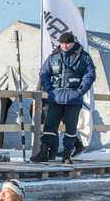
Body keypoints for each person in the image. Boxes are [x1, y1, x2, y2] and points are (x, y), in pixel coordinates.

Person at [32, 31, 96, 164]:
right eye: (63, 44)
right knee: (50, 125)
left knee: (71, 126)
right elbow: (44, 73)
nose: (65, 46)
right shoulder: (53, 57)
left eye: (68, 44)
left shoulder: (83, 57)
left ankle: (67, 155)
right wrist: (50, 89)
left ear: (73, 43)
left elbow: (90, 75)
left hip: (74, 99)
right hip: (56, 97)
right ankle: (43, 152)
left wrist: (80, 91)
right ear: (59, 44)